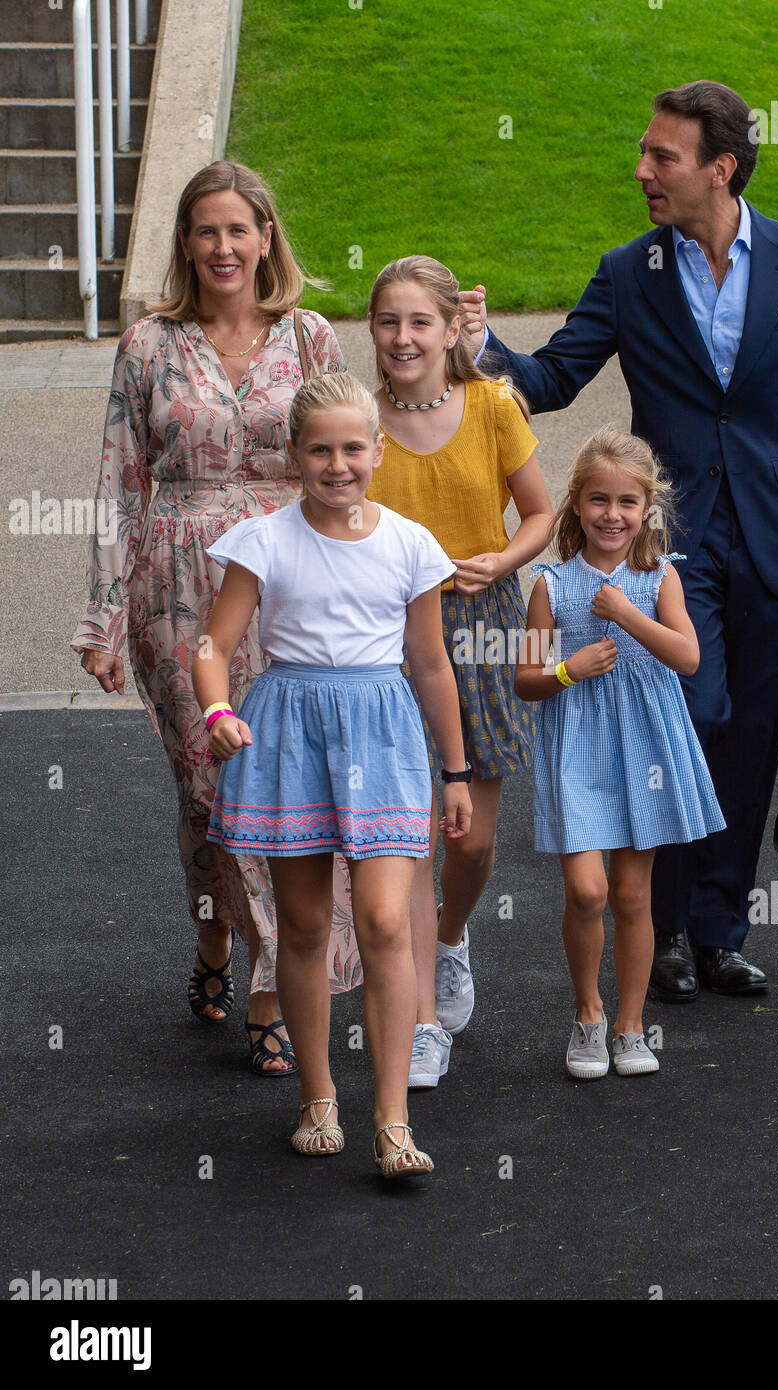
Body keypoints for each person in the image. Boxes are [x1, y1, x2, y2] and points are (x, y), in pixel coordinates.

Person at [463, 80, 778, 1002]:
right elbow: (551, 379)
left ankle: (719, 933)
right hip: (669, 543)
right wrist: (481, 345)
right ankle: (653, 923)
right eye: (646, 154)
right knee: (691, 716)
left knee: (750, 736)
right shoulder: (628, 274)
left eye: (663, 157)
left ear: (719, 169)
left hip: (776, 531)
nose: (643, 171)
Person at [71, 160, 358, 1076]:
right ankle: (214, 943)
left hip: (290, 585)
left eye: (241, 229)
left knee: (290, 795)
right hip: (177, 594)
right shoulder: (150, 344)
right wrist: (102, 618)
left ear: (267, 236)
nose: (225, 247)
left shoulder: (310, 337)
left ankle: (272, 987)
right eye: (207, 231)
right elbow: (120, 480)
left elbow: (352, 455)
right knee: (210, 795)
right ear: (186, 243)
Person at [194, 371, 472, 1174]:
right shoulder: (264, 539)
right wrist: (218, 712)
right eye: (320, 449)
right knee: (307, 925)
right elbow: (214, 645)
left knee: (387, 921)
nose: (338, 464)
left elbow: (430, 664)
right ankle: (319, 1096)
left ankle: (392, 1119)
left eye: (354, 447)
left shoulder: (412, 544)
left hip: (383, 737)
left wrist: (455, 771)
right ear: (295, 455)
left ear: (379, 450)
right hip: (289, 735)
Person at [365, 256, 555, 1087]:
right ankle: (421, 1023)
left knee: (469, 838)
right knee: (407, 836)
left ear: (451, 330)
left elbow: (543, 513)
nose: (403, 339)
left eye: (419, 323)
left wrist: (500, 558)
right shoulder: (359, 420)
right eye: (388, 323)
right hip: (388, 639)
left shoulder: (492, 405)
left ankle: (448, 937)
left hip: (480, 630)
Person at [516, 428, 724, 1077]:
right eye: (599, 500)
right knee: (587, 890)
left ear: (646, 509)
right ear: (577, 505)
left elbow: (689, 656)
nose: (613, 514)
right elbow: (524, 680)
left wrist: (628, 615)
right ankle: (587, 1016)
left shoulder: (659, 576)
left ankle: (632, 1027)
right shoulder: (549, 585)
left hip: (647, 744)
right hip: (577, 740)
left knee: (634, 896)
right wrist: (567, 671)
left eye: (627, 502)